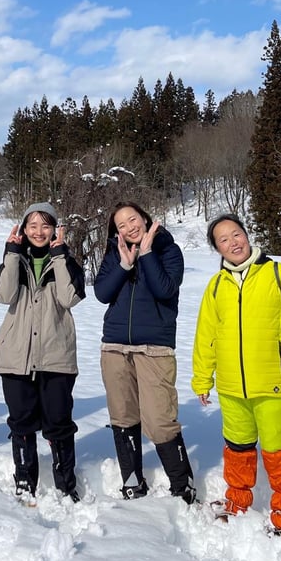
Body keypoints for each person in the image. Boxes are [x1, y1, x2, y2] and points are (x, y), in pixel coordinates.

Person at [191, 214, 281, 534]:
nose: (233, 242)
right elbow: (205, 336)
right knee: (237, 448)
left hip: (273, 384)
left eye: (236, 234)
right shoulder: (215, 287)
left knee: (278, 452)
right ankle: (237, 501)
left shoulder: (280, 274)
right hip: (230, 386)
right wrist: (202, 377)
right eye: (223, 239)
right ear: (217, 248)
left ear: (246, 234)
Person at [93, 201, 196, 504]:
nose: (129, 227)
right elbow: (102, 293)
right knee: (123, 415)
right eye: (121, 225)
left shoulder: (168, 250)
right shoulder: (115, 253)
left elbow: (165, 289)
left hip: (154, 348)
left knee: (159, 419)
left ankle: (183, 486)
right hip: (114, 347)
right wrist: (125, 265)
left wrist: (147, 254)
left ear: (145, 218)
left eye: (133, 219)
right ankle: (132, 481)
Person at [0, 202, 86, 503]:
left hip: (56, 355)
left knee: (58, 421)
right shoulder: (14, 259)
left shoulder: (66, 261)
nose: (38, 231)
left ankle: (65, 483)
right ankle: (24, 480)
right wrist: (11, 254)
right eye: (32, 225)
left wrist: (59, 256)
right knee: (21, 421)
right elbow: (3, 295)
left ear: (55, 229)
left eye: (45, 225)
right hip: (16, 356)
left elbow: (69, 297)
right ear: (23, 228)